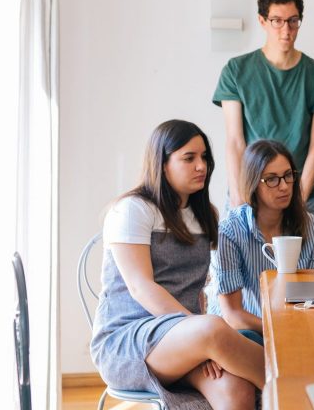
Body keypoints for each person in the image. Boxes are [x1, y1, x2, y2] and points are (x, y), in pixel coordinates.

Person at [91, 120, 263, 409]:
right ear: (162, 163)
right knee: (215, 329)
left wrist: (200, 340)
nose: (201, 166)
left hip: (187, 338)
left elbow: (196, 288)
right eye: (189, 158)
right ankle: (297, 388)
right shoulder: (133, 209)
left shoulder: (205, 214)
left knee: (236, 389)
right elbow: (141, 287)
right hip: (128, 341)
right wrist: (199, 331)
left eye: (204, 157)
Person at [213, 0, 314, 215]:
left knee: (301, 253)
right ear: (262, 21)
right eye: (277, 21)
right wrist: (239, 198)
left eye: (293, 21)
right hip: (249, 193)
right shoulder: (236, 71)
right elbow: (234, 141)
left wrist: (298, 202)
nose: (286, 29)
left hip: (300, 194)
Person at [210, 140, 314, 341]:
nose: (284, 187)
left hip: (295, 329)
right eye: (272, 179)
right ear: (253, 183)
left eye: (288, 176)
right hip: (243, 334)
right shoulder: (229, 230)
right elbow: (233, 316)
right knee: (249, 338)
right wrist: (280, 329)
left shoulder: (313, 227)